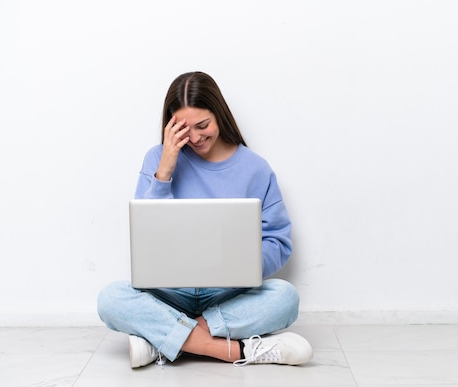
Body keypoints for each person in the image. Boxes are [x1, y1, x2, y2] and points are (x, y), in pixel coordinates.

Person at [97, 71, 312, 368]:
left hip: (227, 294)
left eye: (203, 125)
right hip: (169, 293)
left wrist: (242, 264)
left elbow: (277, 241)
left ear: (219, 115)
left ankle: (165, 342)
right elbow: (148, 237)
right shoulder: (157, 159)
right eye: (185, 130)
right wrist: (165, 172)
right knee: (110, 298)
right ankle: (238, 351)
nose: (196, 138)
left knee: (285, 297)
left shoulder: (255, 168)